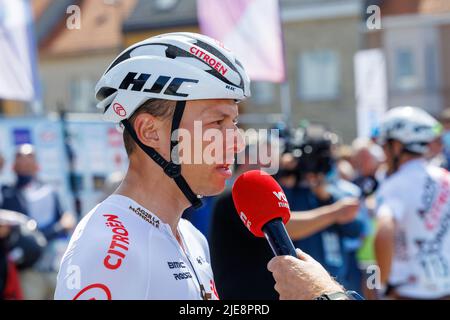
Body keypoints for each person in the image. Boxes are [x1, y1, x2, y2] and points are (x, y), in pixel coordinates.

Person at [55, 32, 250, 300]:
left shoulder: (191, 237)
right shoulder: (107, 250)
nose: (237, 143)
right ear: (150, 131)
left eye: (234, 123)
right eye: (217, 123)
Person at [374, 106, 450, 299]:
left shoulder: (395, 185)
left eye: (384, 146)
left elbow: (384, 231)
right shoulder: (446, 178)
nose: (383, 153)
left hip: (409, 292)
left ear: (397, 146)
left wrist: (383, 285)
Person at [1, 144, 74, 299]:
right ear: (13, 166)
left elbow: (67, 219)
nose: (25, 164)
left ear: (37, 166)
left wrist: (45, 235)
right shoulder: (6, 193)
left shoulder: (50, 191)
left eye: (29, 160)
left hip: (54, 266)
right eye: (21, 160)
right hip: (27, 269)